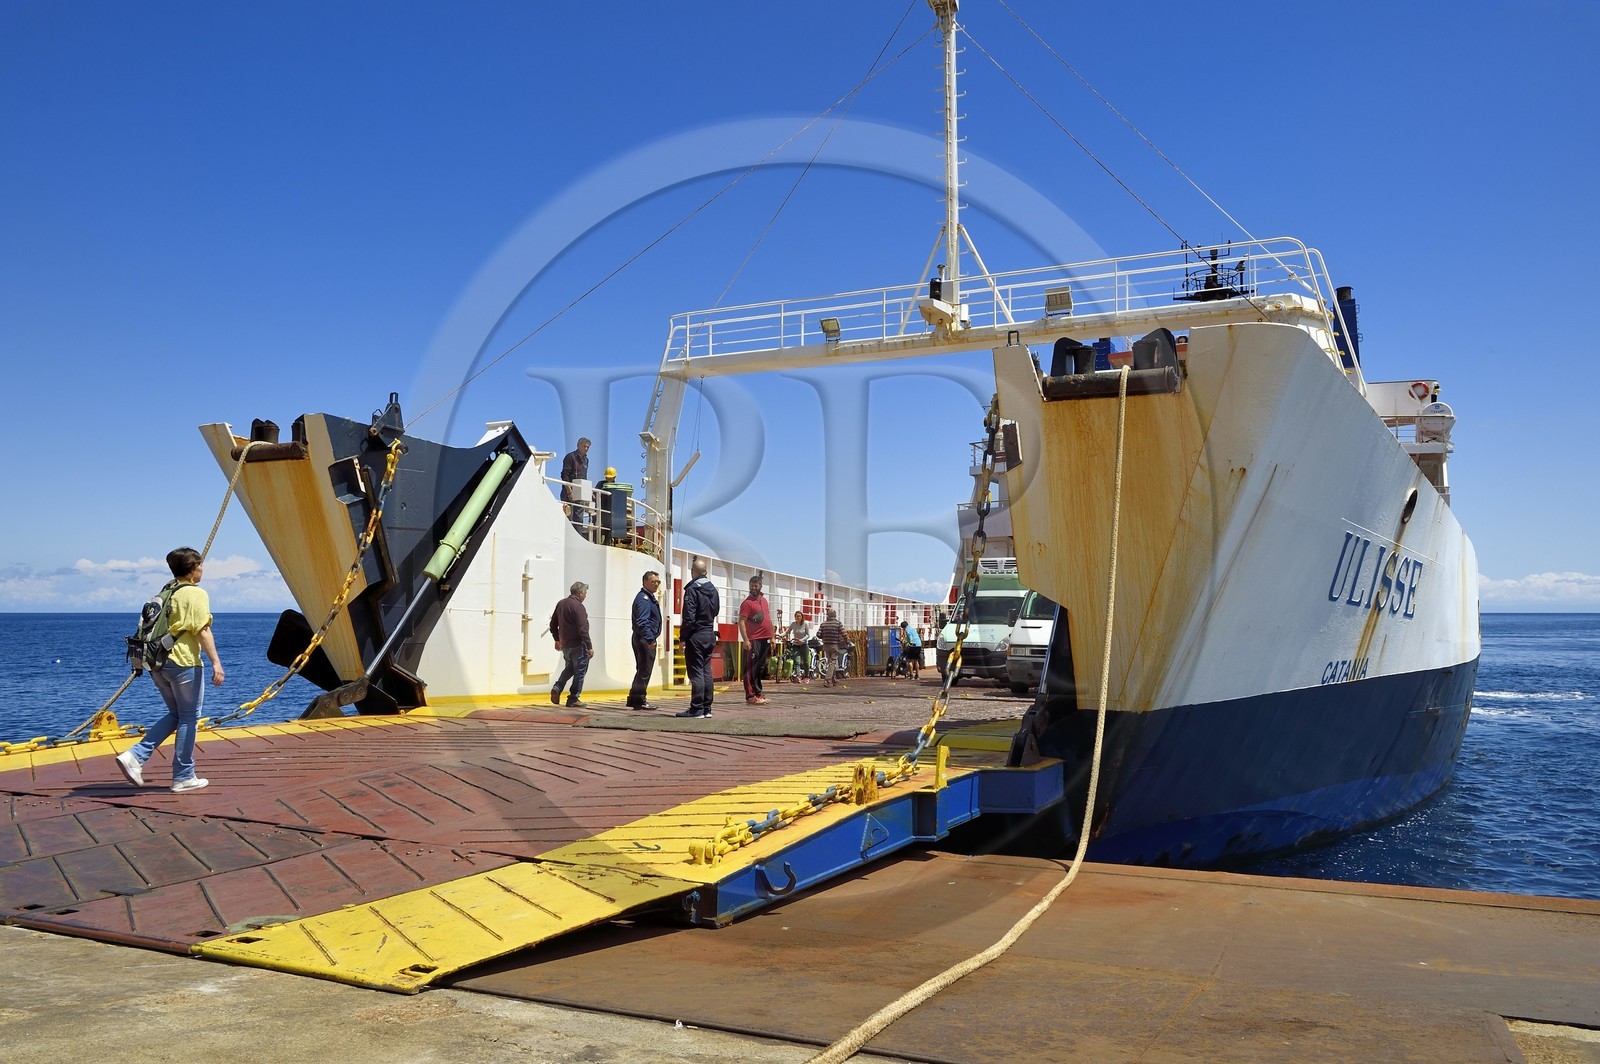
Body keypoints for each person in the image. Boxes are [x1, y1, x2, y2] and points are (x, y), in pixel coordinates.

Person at [114, 547, 224, 793]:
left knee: (176, 715)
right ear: (194, 568)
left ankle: (136, 756)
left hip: (157, 664)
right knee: (189, 717)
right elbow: (202, 630)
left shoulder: (164, 593)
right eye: (201, 565)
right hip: (184, 663)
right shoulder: (195, 594)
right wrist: (217, 663)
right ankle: (184, 776)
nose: (203, 569)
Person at [677, 557, 719, 718]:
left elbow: (689, 617)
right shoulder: (713, 590)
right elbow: (715, 611)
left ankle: (696, 709)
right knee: (706, 671)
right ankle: (707, 708)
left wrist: (683, 638)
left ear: (693, 572)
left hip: (696, 635)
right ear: (706, 572)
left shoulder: (692, 589)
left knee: (696, 673)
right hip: (709, 633)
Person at [549, 580, 593, 708]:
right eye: (585, 593)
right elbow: (583, 629)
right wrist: (589, 647)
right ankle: (573, 698)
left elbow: (553, 625)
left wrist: (557, 639)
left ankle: (558, 687)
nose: (585, 596)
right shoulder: (578, 606)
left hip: (566, 645)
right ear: (580, 592)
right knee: (580, 671)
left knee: (570, 668)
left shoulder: (561, 604)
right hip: (579, 645)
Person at [628, 570, 662, 710]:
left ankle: (634, 698)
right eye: (653, 581)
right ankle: (639, 700)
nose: (656, 584)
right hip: (644, 639)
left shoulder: (648, 597)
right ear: (645, 582)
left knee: (642, 670)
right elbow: (642, 622)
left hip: (642, 638)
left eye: (658, 582)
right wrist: (650, 639)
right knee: (644, 670)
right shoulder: (644, 599)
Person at [738, 574, 773, 705]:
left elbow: (768, 619)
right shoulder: (747, 603)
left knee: (759, 667)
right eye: (751, 586)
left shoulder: (764, 600)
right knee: (750, 668)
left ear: (760, 586)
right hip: (753, 639)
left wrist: (772, 636)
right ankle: (750, 695)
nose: (753, 588)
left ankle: (758, 693)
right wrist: (746, 639)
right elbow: (741, 621)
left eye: (756, 585)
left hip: (765, 638)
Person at [559, 436, 592, 531]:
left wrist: (588, 492)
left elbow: (584, 477)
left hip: (580, 493)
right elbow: (564, 475)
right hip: (568, 493)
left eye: (588, 447)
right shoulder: (570, 457)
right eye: (584, 446)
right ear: (578, 446)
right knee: (568, 517)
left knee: (579, 519)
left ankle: (578, 538)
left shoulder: (586, 460)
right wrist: (569, 491)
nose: (586, 449)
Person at [816, 608, 847, 687]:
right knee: (832, 662)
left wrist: (825, 636)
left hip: (826, 645)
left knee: (830, 662)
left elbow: (818, 634)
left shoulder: (823, 624)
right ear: (835, 615)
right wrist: (847, 641)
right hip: (834, 644)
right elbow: (844, 634)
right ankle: (827, 680)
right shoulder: (838, 623)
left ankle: (834, 680)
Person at [783, 610, 812, 683]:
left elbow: (808, 635)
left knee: (805, 661)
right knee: (797, 661)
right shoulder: (793, 624)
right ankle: (798, 675)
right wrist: (780, 635)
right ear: (795, 617)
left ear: (802, 617)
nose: (798, 617)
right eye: (797, 616)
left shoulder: (805, 624)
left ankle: (806, 676)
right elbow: (787, 632)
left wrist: (801, 640)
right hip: (796, 645)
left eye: (799, 616)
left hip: (804, 645)